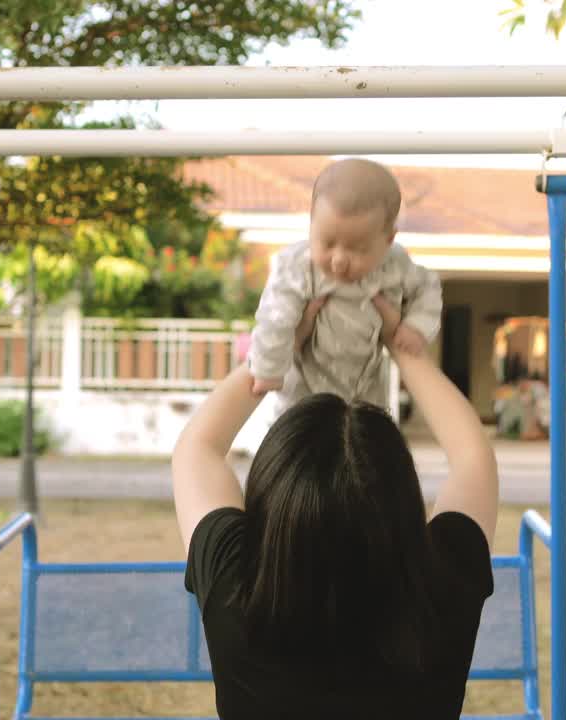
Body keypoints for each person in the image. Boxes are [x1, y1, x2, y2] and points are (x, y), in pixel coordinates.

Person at [172, 294, 498, 720]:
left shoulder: (234, 590)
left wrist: (278, 348)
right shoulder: (442, 587)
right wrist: (403, 346)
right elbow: (473, 454)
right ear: (402, 501)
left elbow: (198, 447)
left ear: (270, 496)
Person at [247, 157, 442, 414]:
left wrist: (415, 326)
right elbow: (275, 319)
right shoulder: (298, 266)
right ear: (311, 225)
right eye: (327, 243)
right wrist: (268, 368)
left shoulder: (394, 264)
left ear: (388, 240)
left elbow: (427, 289)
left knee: (367, 432)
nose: (339, 260)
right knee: (301, 431)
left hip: (365, 385)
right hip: (304, 384)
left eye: (357, 249)